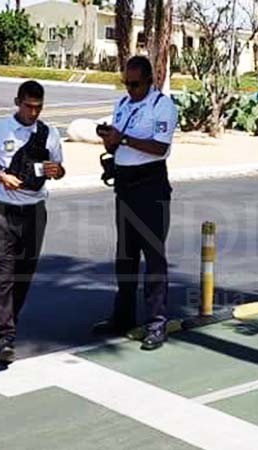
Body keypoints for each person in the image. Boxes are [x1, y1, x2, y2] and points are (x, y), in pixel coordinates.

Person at [0, 80, 65, 363]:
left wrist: (56, 170)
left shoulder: (50, 134)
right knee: (3, 276)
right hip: (4, 211)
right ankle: (4, 338)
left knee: (24, 274)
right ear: (18, 101)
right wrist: (1, 177)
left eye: (38, 108)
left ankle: (8, 323)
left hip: (35, 211)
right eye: (28, 106)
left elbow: (59, 170)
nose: (33, 113)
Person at [95, 56, 178, 351]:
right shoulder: (123, 104)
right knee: (125, 256)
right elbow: (117, 141)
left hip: (151, 185)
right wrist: (110, 140)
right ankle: (123, 316)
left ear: (150, 81)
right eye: (126, 83)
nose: (130, 88)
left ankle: (156, 323)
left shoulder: (162, 106)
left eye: (135, 84)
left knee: (153, 257)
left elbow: (159, 147)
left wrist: (124, 140)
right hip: (125, 185)